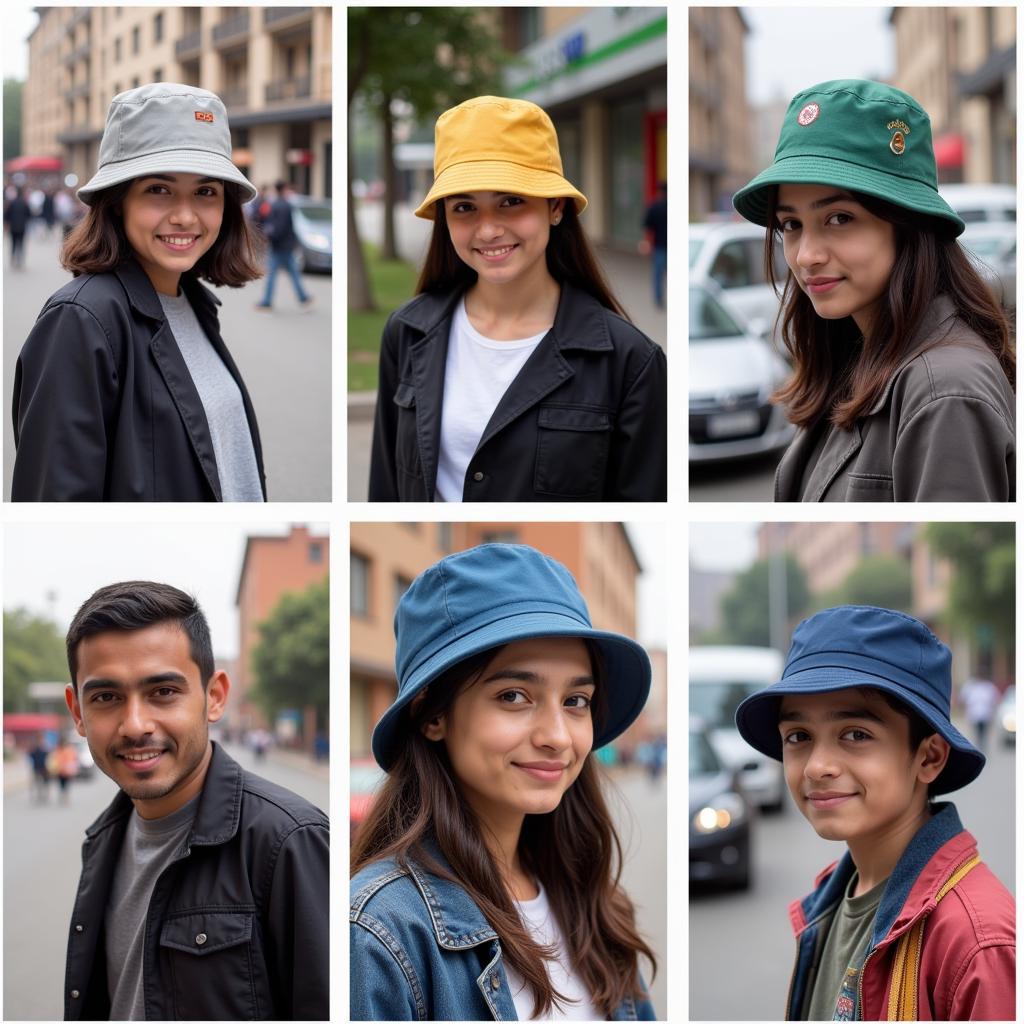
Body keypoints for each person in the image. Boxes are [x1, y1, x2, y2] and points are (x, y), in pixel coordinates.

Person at [351, 543, 657, 1020]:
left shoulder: (595, 904)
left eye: (576, 700)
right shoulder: (380, 932)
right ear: (432, 715)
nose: (557, 736)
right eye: (514, 696)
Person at [368, 96, 667, 502]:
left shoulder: (630, 362)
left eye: (511, 201)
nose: (488, 229)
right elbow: (386, 492)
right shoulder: (405, 333)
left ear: (555, 208)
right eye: (464, 207)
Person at [732, 80, 1015, 502]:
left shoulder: (944, 393)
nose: (806, 255)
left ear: (909, 224)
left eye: (840, 218)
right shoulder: (855, 355)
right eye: (791, 225)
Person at [63, 581, 329, 1020]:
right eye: (106, 697)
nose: (134, 725)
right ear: (78, 712)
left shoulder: (289, 842)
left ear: (214, 696)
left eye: (163, 692)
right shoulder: (102, 842)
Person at [734, 605, 1015, 1021]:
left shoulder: (976, 943)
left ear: (929, 756)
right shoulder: (830, 900)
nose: (816, 766)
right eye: (798, 736)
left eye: (855, 734)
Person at [11, 83, 267, 502]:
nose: (185, 216)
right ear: (117, 201)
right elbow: (54, 499)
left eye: (206, 191)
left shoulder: (194, 304)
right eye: (159, 189)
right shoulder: (81, 321)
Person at [255, 180, 312, 310]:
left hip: (278, 246)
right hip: (286, 245)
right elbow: (286, 227)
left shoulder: (277, 205)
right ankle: (303, 297)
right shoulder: (285, 205)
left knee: (272, 275)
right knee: (293, 273)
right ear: (284, 189)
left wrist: (270, 238)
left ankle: (267, 301)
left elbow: (276, 227)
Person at [639, 182, 667, 309]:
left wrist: (647, 243)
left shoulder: (655, 207)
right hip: (663, 246)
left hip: (659, 247)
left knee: (658, 276)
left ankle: (658, 300)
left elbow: (648, 228)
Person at [960, 671, 1001, 750]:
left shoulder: (989, 686)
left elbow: (996, 699)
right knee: (977, 731)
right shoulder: (971, 686)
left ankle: (983, 745)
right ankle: (978, 745)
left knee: (984, 731)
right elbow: (963, 699)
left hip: (985, 714)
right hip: (974, 714)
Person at [4, 185, 31, 268]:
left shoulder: (12, 203)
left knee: (13, 244)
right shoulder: (24, 203)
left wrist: (6, 225)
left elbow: (7, 215)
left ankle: (12, 259)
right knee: (21, 244)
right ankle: (20, 260)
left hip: (13, 227)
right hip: (22, 227)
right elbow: (29, 215)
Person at [27, 733, 51, 803]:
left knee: (44, 782)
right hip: (37, 768)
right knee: (38, 783)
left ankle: (43, 795)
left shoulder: (43, 749)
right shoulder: (35, 749)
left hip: (43, 768)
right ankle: (40, 795)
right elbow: (30, 755)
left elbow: (49, 755)